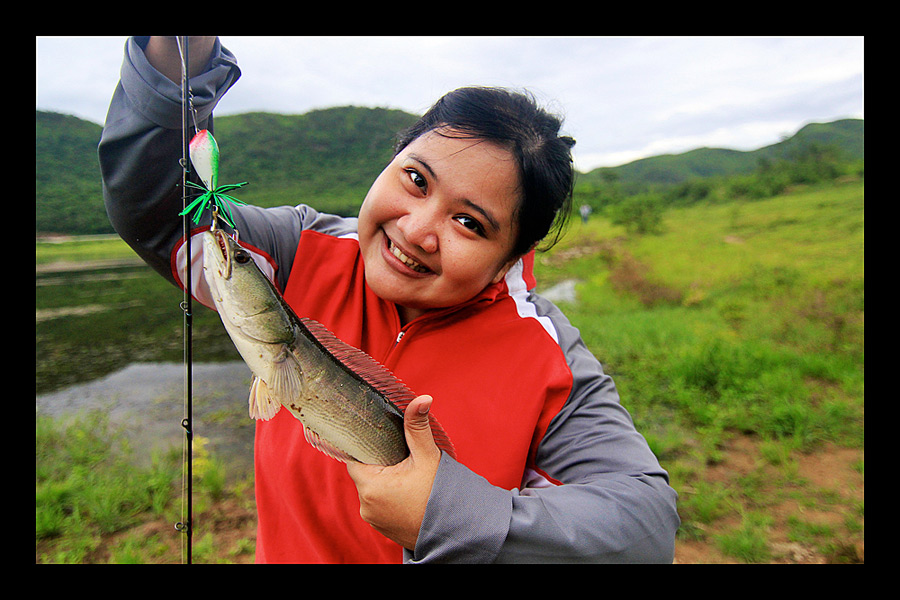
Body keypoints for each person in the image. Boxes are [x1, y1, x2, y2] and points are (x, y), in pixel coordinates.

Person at [100, 36, 679, 563]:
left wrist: (451, 515)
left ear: (510, 258)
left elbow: (644, 530)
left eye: (470, 223)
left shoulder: (549, 358)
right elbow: (157, 209)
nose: (418, 230)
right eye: (416, 180)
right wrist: (183, 56)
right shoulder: (299, 251)